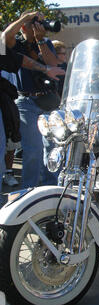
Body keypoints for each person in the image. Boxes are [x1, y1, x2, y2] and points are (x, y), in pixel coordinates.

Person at [0, 26, 64, 206]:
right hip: (27, 101)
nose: (39, 27)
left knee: (52, 149)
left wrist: (41, 39)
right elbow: (4, 38)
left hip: (48, 101)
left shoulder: (46, 42)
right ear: (23, 27)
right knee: (33, 150)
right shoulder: (16, 43)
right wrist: (25, 19)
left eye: (41, 23)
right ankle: (27, 195)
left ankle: (50, 193)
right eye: (34, 23)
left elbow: (53, 64)